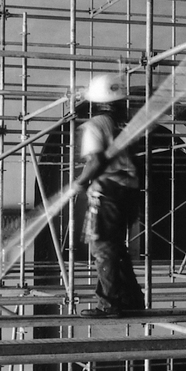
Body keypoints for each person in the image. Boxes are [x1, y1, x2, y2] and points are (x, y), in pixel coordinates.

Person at [77, 71, 145, 318]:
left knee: (103, 247)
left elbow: (95, 161)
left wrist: (81, 183)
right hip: (129, 192)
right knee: (116, 248)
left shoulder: (95, 125)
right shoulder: (125, 127)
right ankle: (132, 300)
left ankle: (109, 304)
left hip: (108, 192)